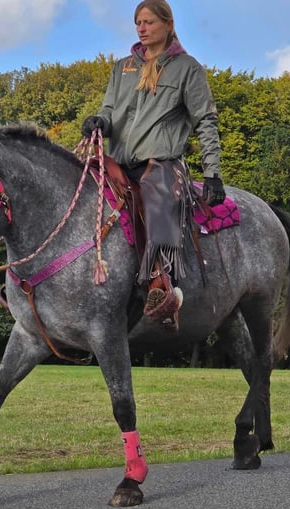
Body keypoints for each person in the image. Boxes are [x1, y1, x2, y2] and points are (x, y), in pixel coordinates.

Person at [81, 0, 224, 329]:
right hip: (117, 160)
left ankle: (163, 288)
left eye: (148, 22)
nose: (142, 29)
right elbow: (109, 109)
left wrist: (212, 172)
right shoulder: (122, 68)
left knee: (156, 201)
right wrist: (98, 121)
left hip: (161, 163)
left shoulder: (187, 68)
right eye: (137, 23)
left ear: (168, 23)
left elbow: (206, 121)